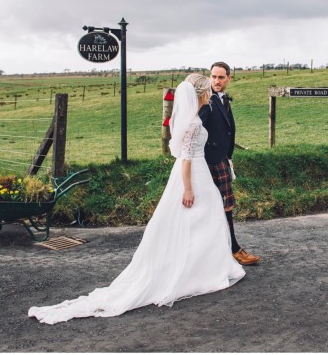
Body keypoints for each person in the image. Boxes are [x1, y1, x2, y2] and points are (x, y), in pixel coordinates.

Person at [28, 74, 245, 324]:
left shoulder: (191, 119)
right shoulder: (194, 123)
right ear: (200, 93)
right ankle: (199, 271)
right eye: (207, 89)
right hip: (192, 176)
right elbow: (186, 158)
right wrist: (187, 189)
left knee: (200, 222)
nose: (210, 92)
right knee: (201, 220)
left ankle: (201, 267)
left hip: (197, 174)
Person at [199, 61, 262, 266]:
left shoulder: (223, 99)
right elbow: (196, 129)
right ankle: (233, 250)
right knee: (223, 206)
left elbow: (227, 130)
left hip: (222, 159)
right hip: (210, 162)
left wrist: (229, 157)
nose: (216, 81)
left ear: (228, 79)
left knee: (224, 206)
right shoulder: (206, 100)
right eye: (214, 77)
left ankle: (227, 249)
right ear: (210, 77)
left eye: (221, 77)